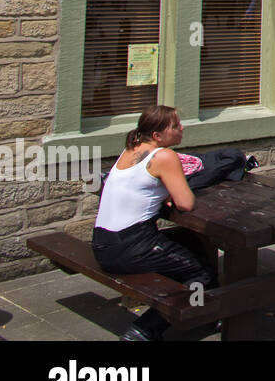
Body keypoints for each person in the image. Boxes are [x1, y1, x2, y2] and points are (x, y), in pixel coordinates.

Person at [92, 105, 217, 342]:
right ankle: (145, 329)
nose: (182, 128)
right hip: (131, 246)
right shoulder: (164, 156)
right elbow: (186, 203)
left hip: (102, 243)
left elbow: (142, 185)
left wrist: (163, 191)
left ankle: (206, 310)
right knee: (202, 274)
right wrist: (173, 191)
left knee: (191, 240)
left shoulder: (131, 149)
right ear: (158, 136)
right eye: (175, 125)